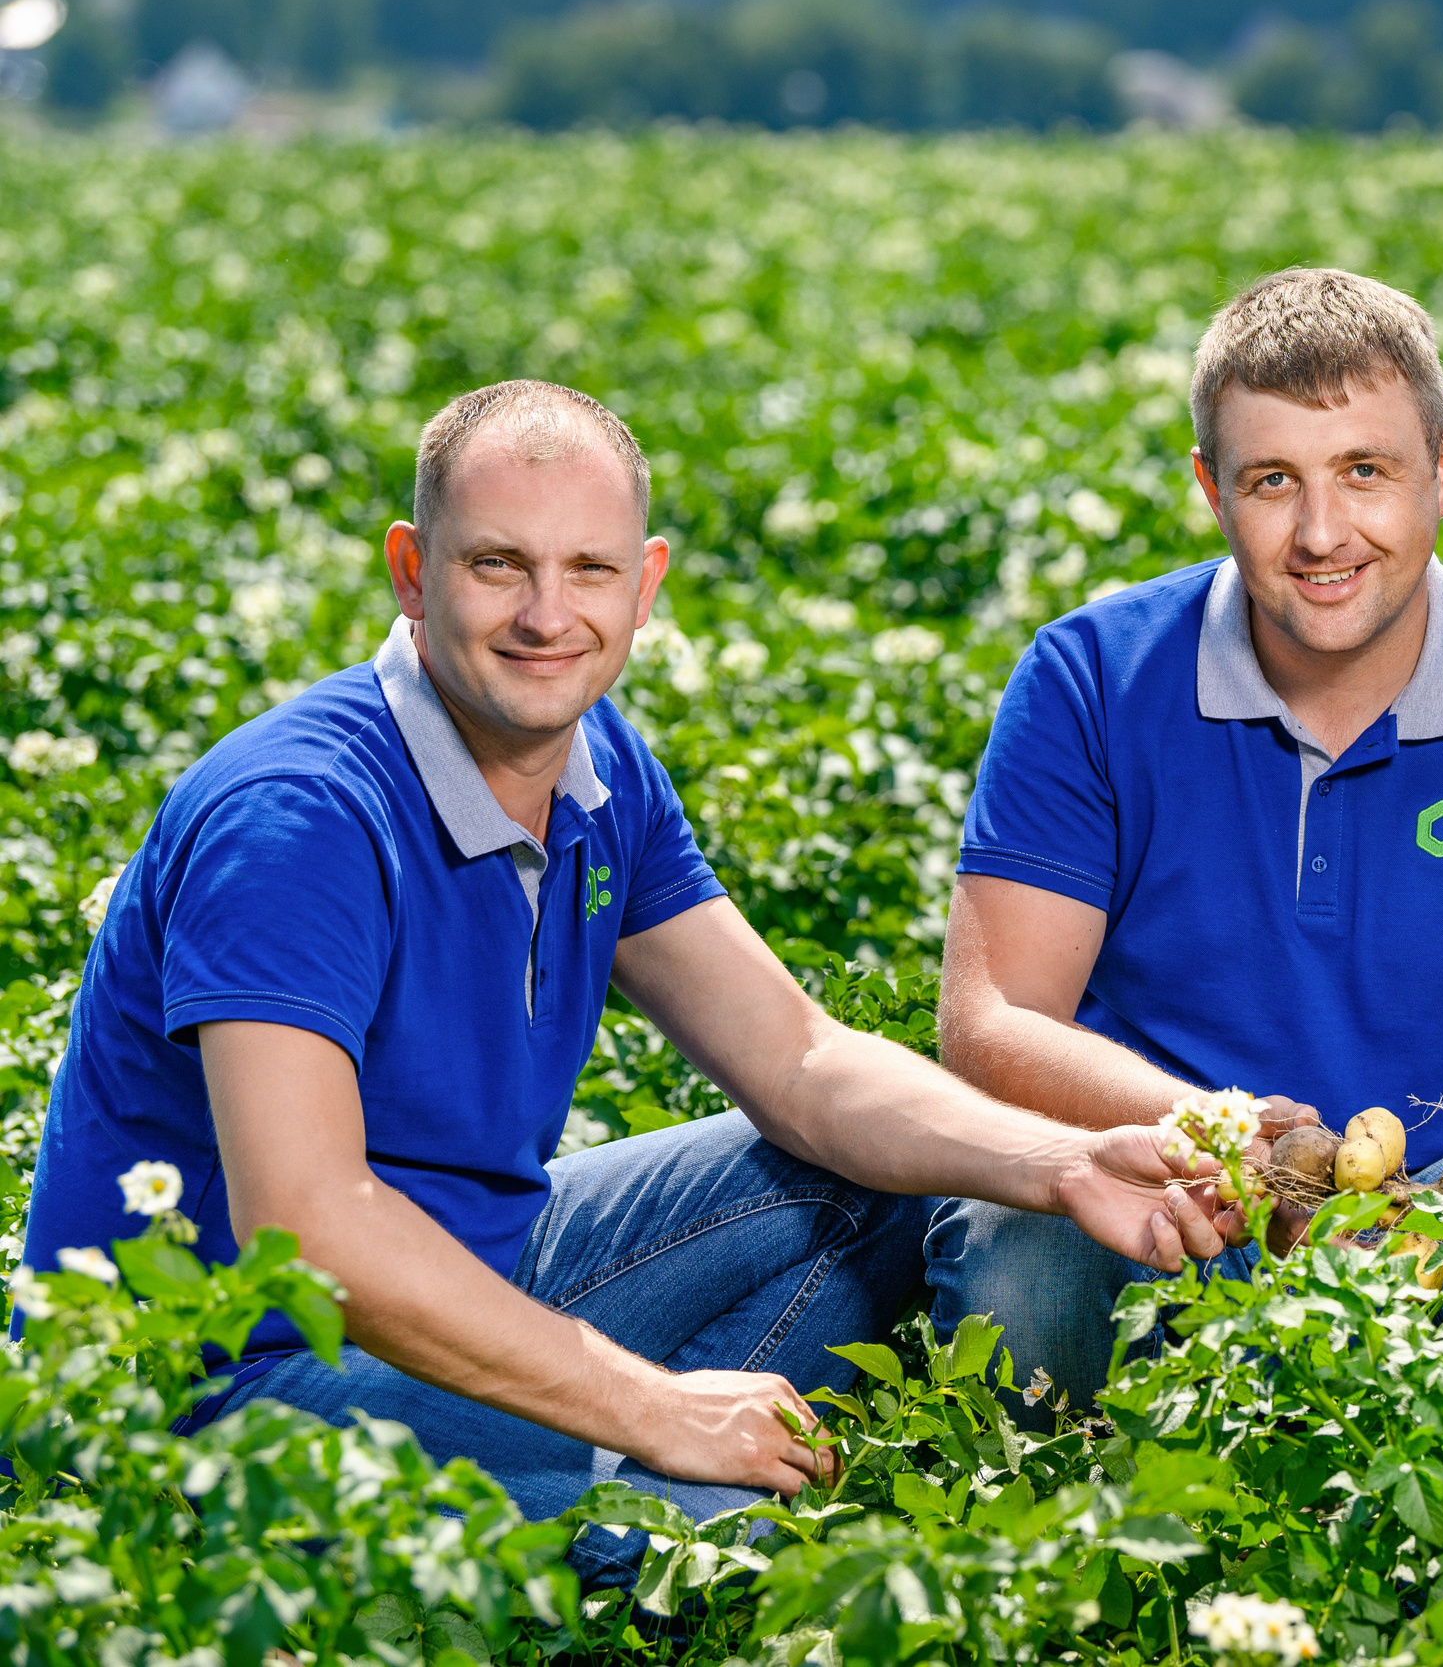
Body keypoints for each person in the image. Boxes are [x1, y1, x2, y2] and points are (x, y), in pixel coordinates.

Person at [25, 380, 1231, 1583]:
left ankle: (685, 1469)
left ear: (645, 586)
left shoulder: (600, 770)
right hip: (223, 1376)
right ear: (411, 569)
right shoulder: (298, 817)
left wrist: (1060, 1157)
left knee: (878, 1162)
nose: (548, 614)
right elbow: (315, 1224)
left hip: (493, 1266)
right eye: (499, 564)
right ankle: (675, 1487)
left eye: (589, 570)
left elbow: (802, 1061)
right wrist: (652, 1405)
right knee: (704, 1547)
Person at [930, 268, 1443, 1420]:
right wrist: (1235, 1144)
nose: (1323, 532)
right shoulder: (1090, 676)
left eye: (1366, 472)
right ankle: (1069, 1556)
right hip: (1171, 1188)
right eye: (1272, 480)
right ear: (1209, 490)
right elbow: (991, 1025)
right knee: (1023, 1261)